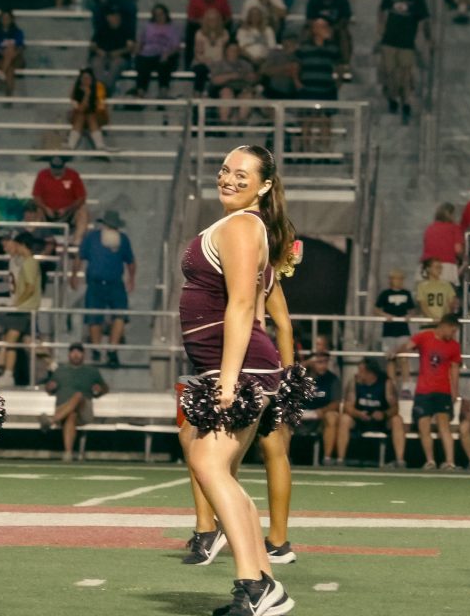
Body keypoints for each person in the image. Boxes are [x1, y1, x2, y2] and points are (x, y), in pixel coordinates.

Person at [177, 145, 296, 615]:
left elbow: (245, 306)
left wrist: (227, 384)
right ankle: (262, 578)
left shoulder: (245, 225)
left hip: (240, 368)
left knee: (207, 464)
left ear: (264, 185)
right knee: (215, 467)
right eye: (224, 169)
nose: (228, 178)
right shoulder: (232, 224)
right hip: (229, 366)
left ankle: (256, 584)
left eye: (241, 174)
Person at [183, 265, 301, 566]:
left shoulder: (236, 266)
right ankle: (274, 542)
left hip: (235, 365)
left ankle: (209, 529)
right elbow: (282, 325)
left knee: (203, 445)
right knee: (262, 451)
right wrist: (289, 380)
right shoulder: (258, 268)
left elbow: (263, 319)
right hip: (246, 365)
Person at [387, 314, 462, 470]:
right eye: (452, 330)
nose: (453, 334)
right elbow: (407, 345)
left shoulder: (454, 346)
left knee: (444, 425)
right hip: (424, 390)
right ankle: (430, 461)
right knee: (423, 425)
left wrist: (455, 391)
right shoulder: (424, 337)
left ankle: (450, 462)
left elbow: (455, 370)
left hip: (443, 390)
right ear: (445, 325)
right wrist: (395, 351)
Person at [72, 210, 135, 368]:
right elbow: (80, 256)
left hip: (115, 283)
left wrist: (131, 278)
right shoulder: (92, 238)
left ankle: (112, 350)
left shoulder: (123, 240)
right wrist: (74, 275)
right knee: (94, 316)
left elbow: (130, 261)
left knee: (120, 314)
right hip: (95, 283)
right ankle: (96, 349)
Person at [377, 0, 431, 124]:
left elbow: (424, 20)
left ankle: (405, 101)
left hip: (406, 43)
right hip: (389, 41)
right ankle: (392, 97)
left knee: (405, 74)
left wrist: (428, 39)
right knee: (389, 72)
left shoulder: (417, 0)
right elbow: (381, 11)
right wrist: (380, 26)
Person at [40, 343, 108, 460]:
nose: (76, 355)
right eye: (73, 352)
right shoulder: (60, 371)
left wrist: (99, 389)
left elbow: (105, 388)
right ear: (69, 354)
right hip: (64, 410)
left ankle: (51, 420)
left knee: (78, 395)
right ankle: (68, 453)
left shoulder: (91, 371)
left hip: (84, 410)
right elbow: (48, 389)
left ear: (83, 354)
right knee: (71, 415)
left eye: (79, 352)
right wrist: (50, 387)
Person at [340, 357, 407, 468]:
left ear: (370, 373)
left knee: (397, 420)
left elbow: (395, 408)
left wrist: (384, 414)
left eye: (361, 371)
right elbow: (347, 406)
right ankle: (340, 459)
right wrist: (358, 413)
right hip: (360, 420)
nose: (358, 373)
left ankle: (400, 460)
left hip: (381, 421)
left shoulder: (386, 383)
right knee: (344, 419)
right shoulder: (354, 382)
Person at [0, 232, 42, 387]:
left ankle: (6, 372)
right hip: (22, 304)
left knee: (10, 339)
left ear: (19, 244)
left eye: (9, 243)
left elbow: (30, 286)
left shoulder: (25, 261)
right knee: (29, 341)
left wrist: (16, 303)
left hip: (23, 306)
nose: (6, 247)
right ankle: (52, 365)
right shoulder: (18, 260)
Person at [298, 349, 343, 466]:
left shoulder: (332, 379)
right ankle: (283, 457)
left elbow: (336, 403)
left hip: (320, 416)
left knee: (332, 416)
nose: (323, 365)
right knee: (281, 416)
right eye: (319, 362)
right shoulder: (301, 377)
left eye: (325, 362)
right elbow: (286, 374)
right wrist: (306, 364)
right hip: (299, 414)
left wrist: (322, 411)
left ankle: (327, 458)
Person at [32, 155, 89, 245]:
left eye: (59, 169)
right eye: (54, 169)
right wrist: (45, 208)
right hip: (47, 212)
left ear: (63, 167)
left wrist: (68, 209)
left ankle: (77, 241)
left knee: (83, 211)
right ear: (50, 167)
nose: (57, 171)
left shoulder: (73, 175)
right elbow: (36, 196)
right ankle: (35, 239)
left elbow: (81, 197)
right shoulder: (42, 175)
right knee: (37, 211)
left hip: (69, 213)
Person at [374, 269, 416, 391]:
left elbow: (412, 310)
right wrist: (385, 315)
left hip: (403, 330)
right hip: (389, 331)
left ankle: (406, 385)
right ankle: (392, 384)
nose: (398, 281)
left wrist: (409, 316)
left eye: (400, 279)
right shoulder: (385, 294)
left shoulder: (406, 293)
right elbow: (376, 309)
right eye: (395, 278)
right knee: (390, 358)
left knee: (403, 357)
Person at [133, 4, 182, 98]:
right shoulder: (148, 27)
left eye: (161, 14)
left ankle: (163, 92)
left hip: (166, 54)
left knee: (164, 65)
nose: (159, 17)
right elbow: (141, 42)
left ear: (166, 14)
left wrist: (167, 54)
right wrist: (137, 51)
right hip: (148, 54)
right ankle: (140, 92)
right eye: (156, 15)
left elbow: (176, 47)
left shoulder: (172, 28)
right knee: (142, 64)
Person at [305, 0, 354, 65]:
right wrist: (319, 28)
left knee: (344, 35)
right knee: (305, 33)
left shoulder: (342, 1)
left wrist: (333, 28)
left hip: (336, 28)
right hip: (318, 27)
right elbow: (310, 18)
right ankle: (304, 57)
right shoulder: (314, 1)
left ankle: (345, 62)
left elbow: (345, 18)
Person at [209, 41, 258, 124]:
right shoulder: (219, 64)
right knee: (227, 93)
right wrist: (231, 76)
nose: (234, 52)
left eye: (236, 50)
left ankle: (241, 124)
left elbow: (254, 79)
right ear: (226, 51)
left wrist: (246, 76)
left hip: (242, 88)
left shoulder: (245, 64)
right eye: (231, 50)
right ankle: (223, 123)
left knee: (247, 96)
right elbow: (214, 80)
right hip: (222, 89)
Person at [88, 6, 133, 97]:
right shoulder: (101, 29)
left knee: (116, 64)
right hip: (102, 55)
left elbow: (130, 47)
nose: (115, 18)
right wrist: (100, 51)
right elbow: (92, 45)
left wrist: (117, 53)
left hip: (120, 57)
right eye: (112, 16)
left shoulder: (127, 30)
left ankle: (105, 90)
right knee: (96, 63)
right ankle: (100, 88)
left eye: (117, 15)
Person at [420, 203, 463, 285]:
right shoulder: (454, 228)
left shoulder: (430, 228)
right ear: (451, 215)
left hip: (427, 267)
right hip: (446, 268)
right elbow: (458, 249)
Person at [67, 68, 109, 151]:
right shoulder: (75, 90)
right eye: (84, 78)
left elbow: (101, 107)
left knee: (90, 116)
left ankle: (100, 146)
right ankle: (70, 146)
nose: (86, 80)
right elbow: (80, 109)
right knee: (81, 115)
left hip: (97, 117)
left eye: (88, 78)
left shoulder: (99, 88)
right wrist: (86, 95)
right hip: (78, 117)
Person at [0, 9, 26, 95]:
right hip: (0, 59)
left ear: (12, 19)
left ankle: (2, 75)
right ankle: (9, 95)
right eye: (3, 18)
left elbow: (21, 47)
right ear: (0, 20)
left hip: (17, 59)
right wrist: (7, 54)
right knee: (10, 69)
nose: (6, 20)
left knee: (11, 48)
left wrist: (11, 54)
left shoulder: (18, 32)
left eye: (8, 18)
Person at [416, 257, 458, 324]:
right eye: (436, 267)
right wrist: (432, 318)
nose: (439, 270)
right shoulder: (422, 286)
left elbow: (451, 303)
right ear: (428, 269)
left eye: (440, 267)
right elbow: (423, 305)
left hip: (443, 323)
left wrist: (444, 318)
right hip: (428, 323)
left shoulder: (446, 285)